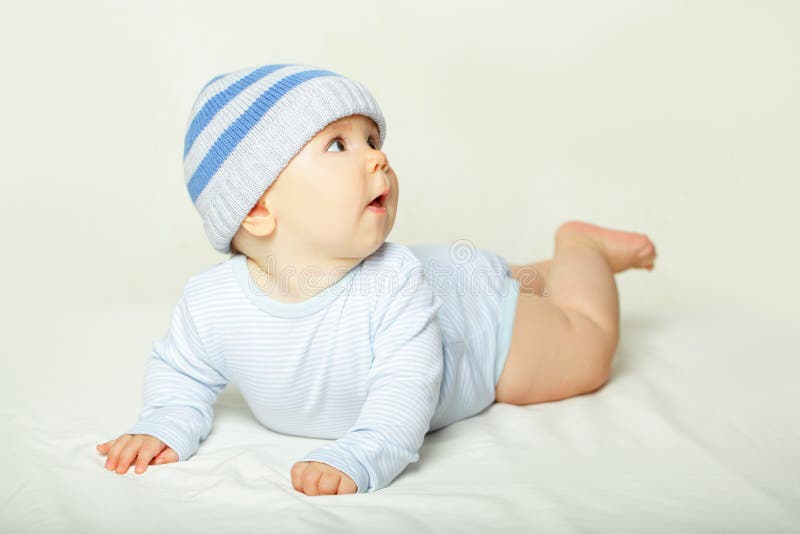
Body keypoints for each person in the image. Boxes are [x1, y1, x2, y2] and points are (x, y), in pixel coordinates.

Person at [96, 63, 657, 496]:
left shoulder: (396, 284)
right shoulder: (211, 304)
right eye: (338, 145)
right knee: (491, 275)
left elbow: (404, 391)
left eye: (372, 139)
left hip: (477, 326)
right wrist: (165, 424)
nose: (377, 159)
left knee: (581, 349)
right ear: (257, 210)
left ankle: (579, 249)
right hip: (446, 275)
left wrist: (362, 455)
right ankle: (538, 273)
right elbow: (181, 371)